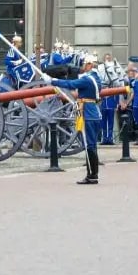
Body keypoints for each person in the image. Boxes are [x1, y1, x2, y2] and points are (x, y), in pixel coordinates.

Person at [50, 54, 102, 185]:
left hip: (88, 113)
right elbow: (82, 92)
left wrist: (52, 81)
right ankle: (93, 173)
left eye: (85, 64)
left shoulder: (87, 79)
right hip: (94, 111)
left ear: (90, 65)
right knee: (92, 144)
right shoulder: (96, 77)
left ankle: (92, 175)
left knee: (89, 144)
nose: (83, 67)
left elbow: (70, 83)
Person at [97, 54, 120, 145]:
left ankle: (110, 138)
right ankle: (104, 138)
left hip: (111, 103)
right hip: (103, 103)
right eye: (106, 58)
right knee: (103, 122)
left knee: (111, 122)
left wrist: (116, 103)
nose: (107, 59)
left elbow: (116, 90)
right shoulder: (101, 73)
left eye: (108, 58)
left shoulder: (112, 73)